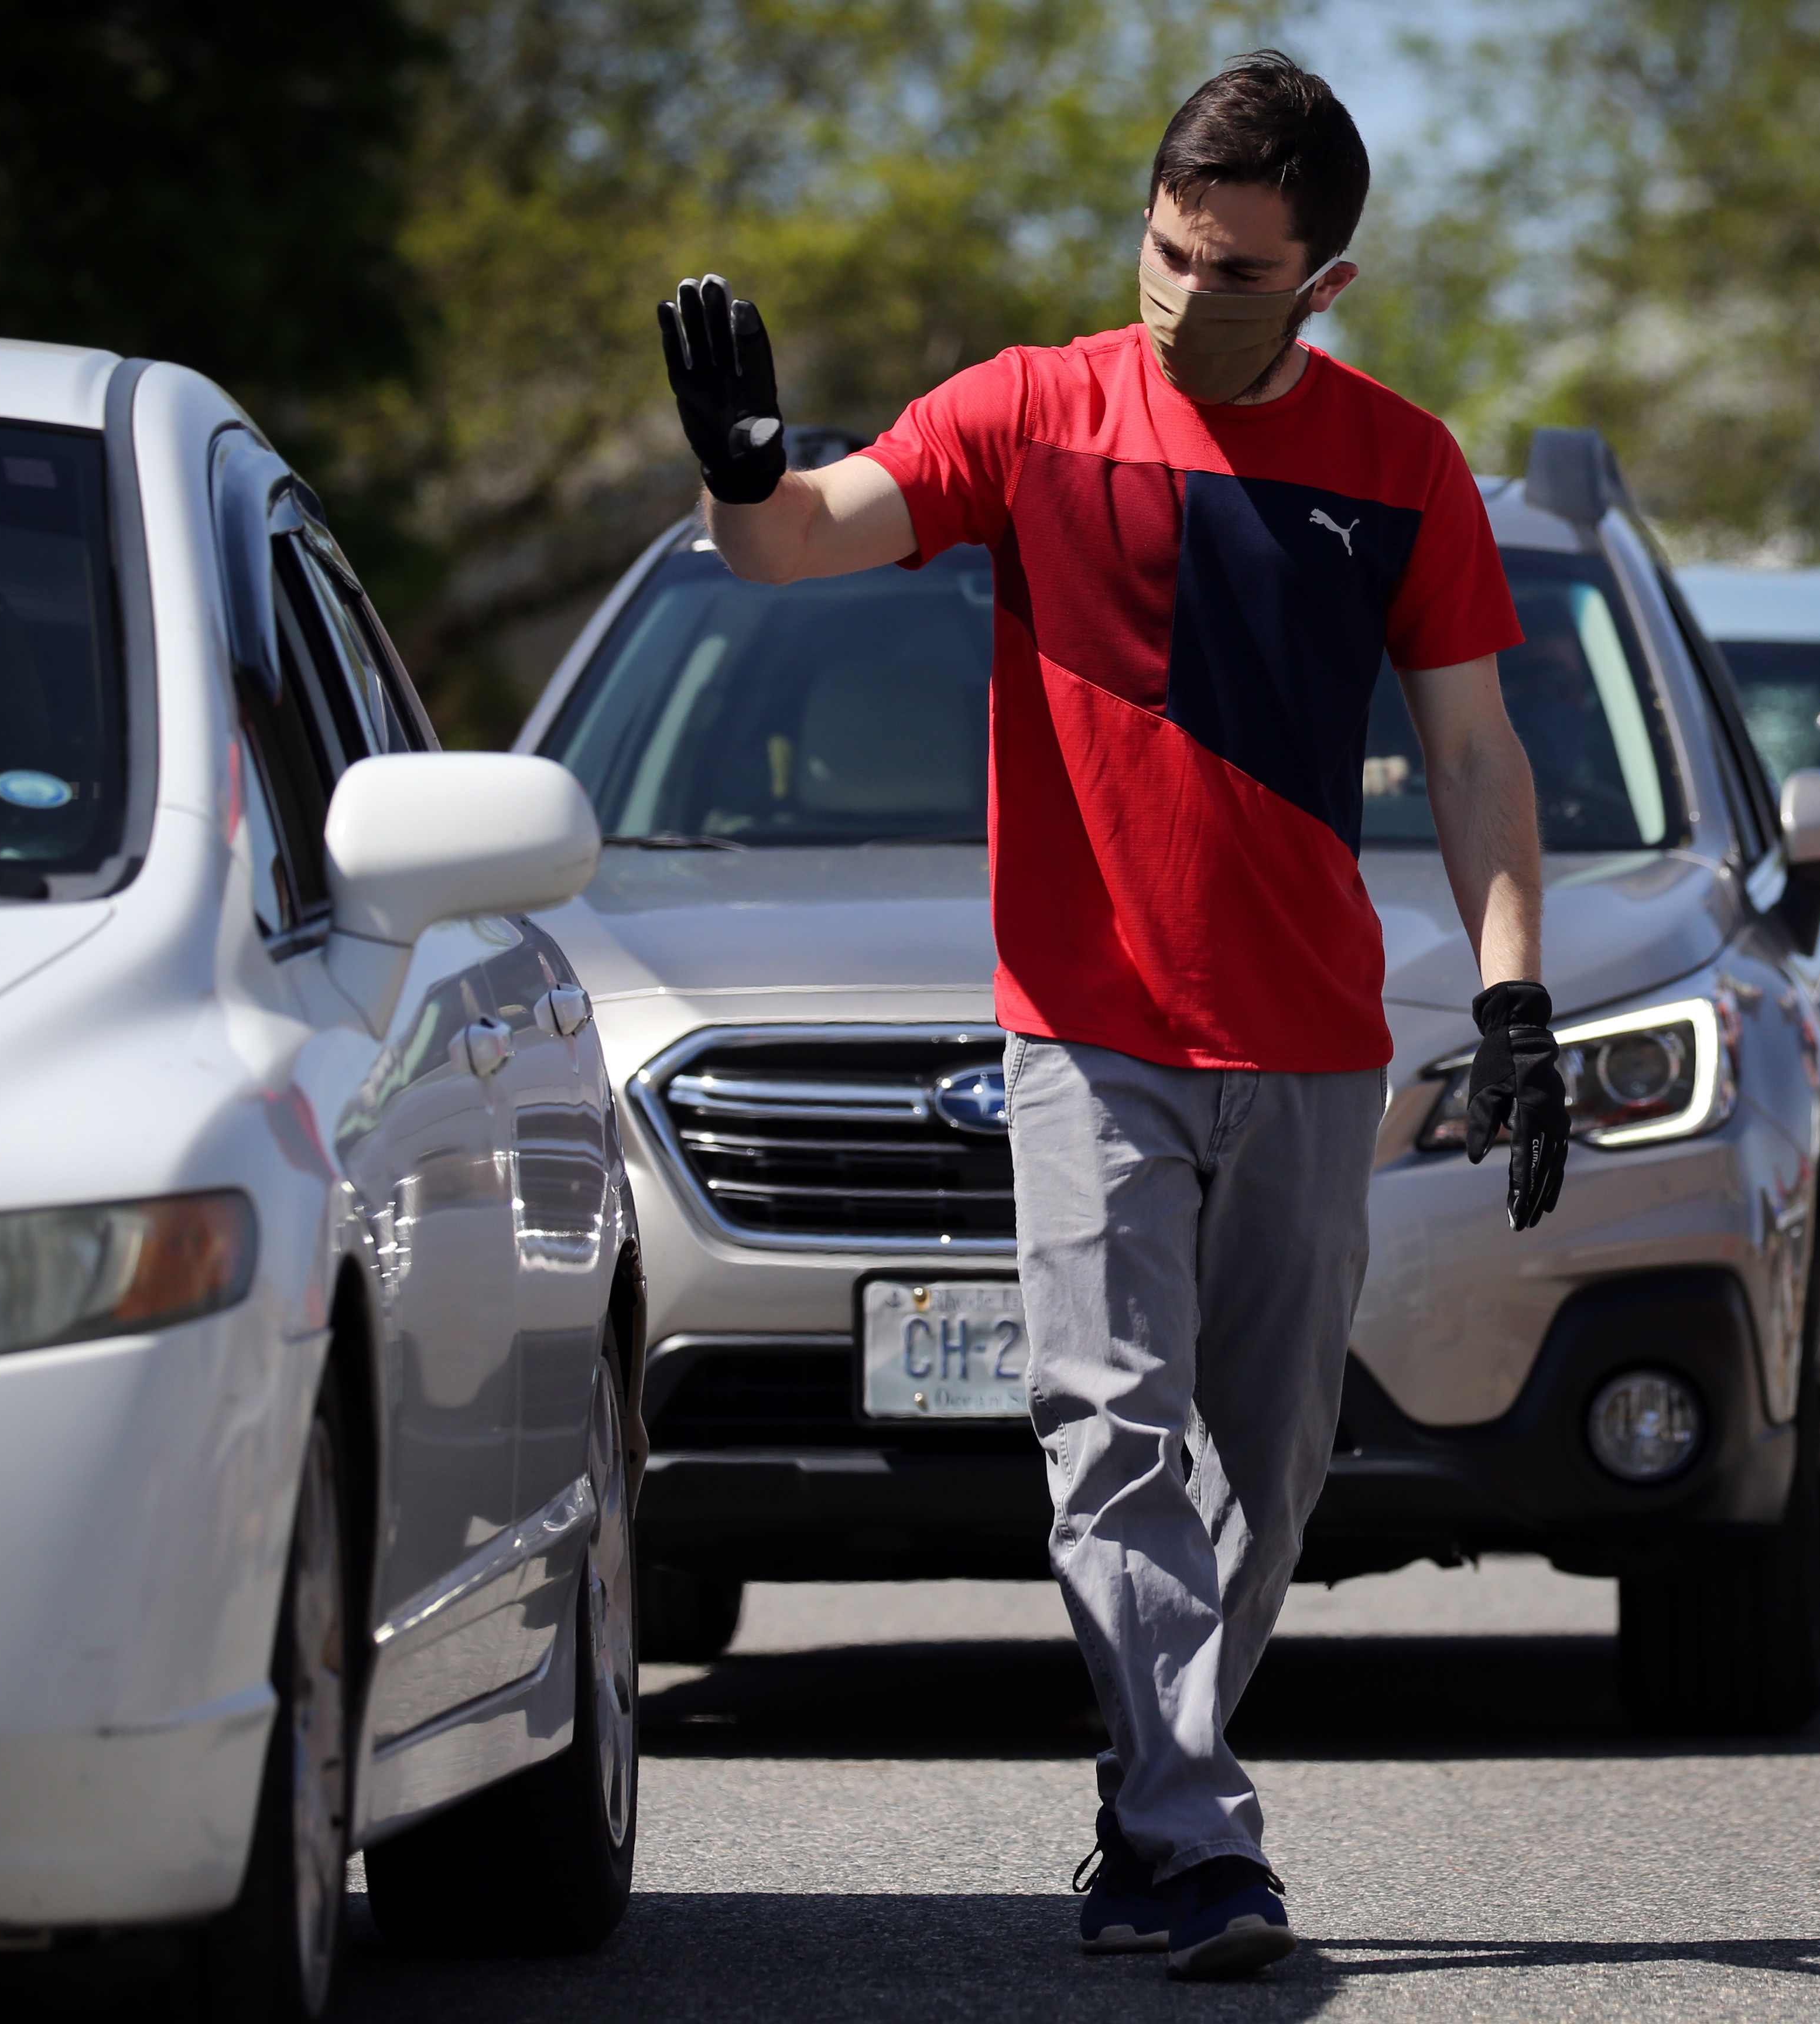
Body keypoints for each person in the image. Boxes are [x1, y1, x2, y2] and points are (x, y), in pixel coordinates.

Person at [654, 53, 1571, 1979]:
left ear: (1319, 278)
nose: (1180, 293)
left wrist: (1512, 997)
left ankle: (1157, 1783)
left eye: (1230, 270)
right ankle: (1198, 1827)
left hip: (1311, 1033)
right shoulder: (1028, 409)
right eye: (1163, 248)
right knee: (1109, 1428)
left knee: (1281, 1454)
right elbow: (800, 538)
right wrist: (742, 468)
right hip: (1084, 1025)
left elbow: (1478, 755)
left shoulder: (1397, 462)